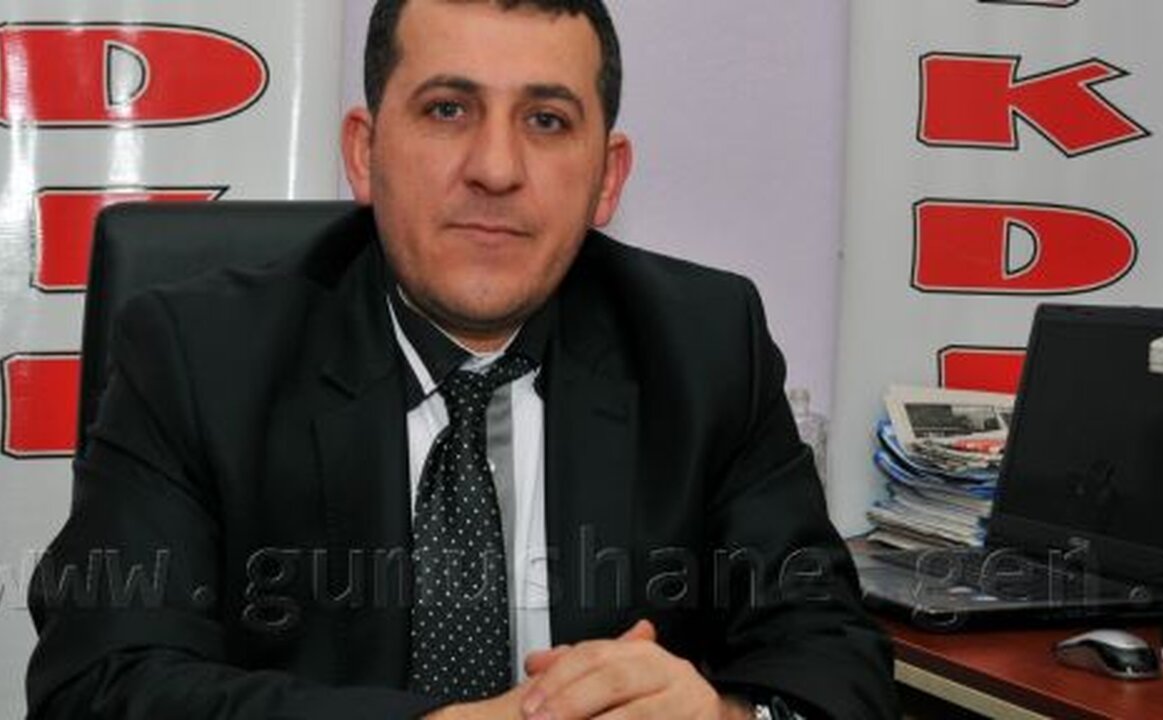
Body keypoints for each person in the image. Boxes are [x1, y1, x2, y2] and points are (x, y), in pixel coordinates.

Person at [26, 1, 897, 718]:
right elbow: (100, 681)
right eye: (448, 109)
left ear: (607, 178)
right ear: (364, 152)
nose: (496, 168)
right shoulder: (198, 357)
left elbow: (833, 655)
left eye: (547, 121)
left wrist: (724, 718)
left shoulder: (705, 348)